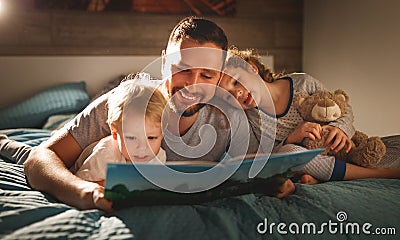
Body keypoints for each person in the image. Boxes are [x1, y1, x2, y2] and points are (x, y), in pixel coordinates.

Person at [18, 16, 275, 212]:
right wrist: (83, 191)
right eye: (182, 69)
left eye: (207, 75)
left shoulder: (229, 118)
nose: (192, 84)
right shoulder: (127, 101)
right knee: (18, 149)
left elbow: (257, 169)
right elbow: (40, 157)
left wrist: (273, 182)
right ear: (164, 61)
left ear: (220, 76)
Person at [217, 47, 400, 187]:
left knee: (391, 149)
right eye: (228, 96)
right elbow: (268, 158)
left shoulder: (302, 83)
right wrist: (291, 138)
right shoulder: (252, 120)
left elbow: (343, 108)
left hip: (343, 148)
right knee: (290, 153)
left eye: (236, 81)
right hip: (308, 159)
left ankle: (325, 176)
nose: (238, 93)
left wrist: (339, 129)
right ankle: (376, 174)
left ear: (252, 68)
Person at [71, 75, 167, 186]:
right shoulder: (105, 155)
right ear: (115, 133)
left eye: (151, 138)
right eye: (131, 138)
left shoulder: (159, 156)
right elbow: (80, 185)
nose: (142, 147)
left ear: (162, 134)